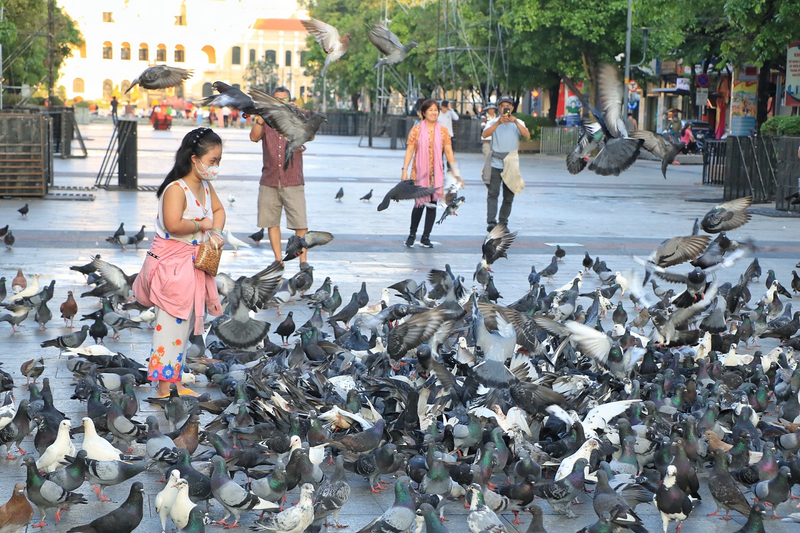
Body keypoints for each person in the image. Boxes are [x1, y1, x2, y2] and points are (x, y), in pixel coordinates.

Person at [133, 127, 226, 397]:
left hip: (192, 265)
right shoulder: (176, 189)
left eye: (218, 161)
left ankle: (174, 382)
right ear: (195, 159)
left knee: (182, 326)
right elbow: (174, 224)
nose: (215, 167)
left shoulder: (205, 187)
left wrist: (216, 232)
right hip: (172, 267)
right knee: (169, 326)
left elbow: (219, 210)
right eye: (212, 161)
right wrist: (203, 224)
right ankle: (164, 386)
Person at [249, 86, 311, 265]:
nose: (281, 103)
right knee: (271, 221)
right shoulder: (266, 119)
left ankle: (303, 260)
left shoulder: (294, 119)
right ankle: (278, 259)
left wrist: (297, 114)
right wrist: (260, 118)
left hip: (292, 178)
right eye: (277, 99)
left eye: (284, 99)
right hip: (269, 177)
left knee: (300, 221)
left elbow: (310, 136)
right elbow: (253, 137)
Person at [401, 99, 465, 248]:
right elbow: (410, 150)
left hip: (436, 172)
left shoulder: (443, 131)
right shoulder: (416, 130)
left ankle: (426, 237)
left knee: (432, 204)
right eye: (430, 110)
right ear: (423, 113)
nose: (434, 112)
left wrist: (456, 173)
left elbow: (449, 152)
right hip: (419, 173)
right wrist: (404, 170)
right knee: (419, 204)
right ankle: (412, 235)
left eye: (435, 110)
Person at [481, 95, 530, 232]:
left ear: (512, 108)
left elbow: (526, 135)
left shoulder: (518, 122)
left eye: (508, 106)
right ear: (499, 108)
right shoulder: (494, 122)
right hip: (496, 163)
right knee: (493, 193)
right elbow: (485, 135)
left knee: (509, 196)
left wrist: (516, 123)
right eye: (503, 106)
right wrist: (498, 123)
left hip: (511, 163)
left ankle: (503, 222)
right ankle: (491, 222)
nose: (505, 108)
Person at [480, 104, 498, 189]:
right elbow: (483, 126)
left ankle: (486, 174)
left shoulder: (497, 117)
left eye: (492, 109)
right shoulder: (485, 117)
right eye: (490, 109)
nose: (491, 111)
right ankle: (485, 174)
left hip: (495, 140)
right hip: (486, 140)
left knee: (492, 159)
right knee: (488, 157)